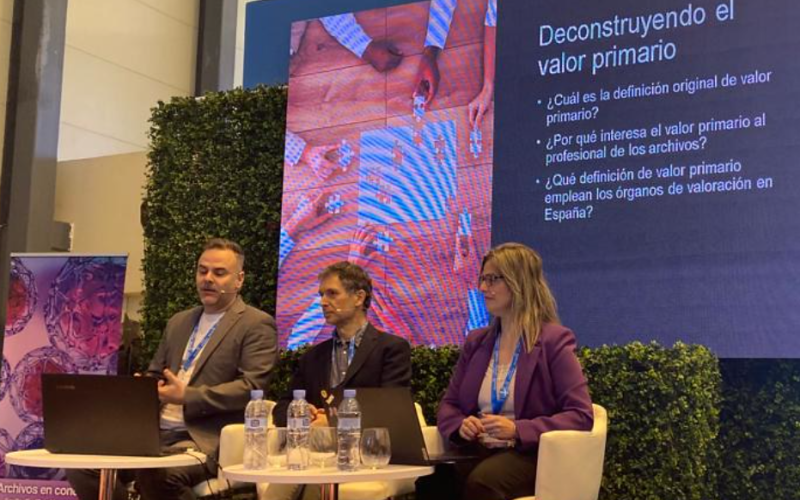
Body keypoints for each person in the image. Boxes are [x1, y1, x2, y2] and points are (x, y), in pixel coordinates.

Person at [66, 238, 279, 500]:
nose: (208, 278)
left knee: (158, 474)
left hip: (203, 440)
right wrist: (145, 385)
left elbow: (251, 388)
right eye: (202, 271)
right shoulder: (179, 321)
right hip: (152, 435)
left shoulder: (256, 324)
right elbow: (157, 373)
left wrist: (187, 395)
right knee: (83, 468)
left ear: (239, 280)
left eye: (219, 273)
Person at [418, 242, 593, 500]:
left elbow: (580, 415)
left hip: (530, 454)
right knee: (433, 481)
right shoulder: (476, 342)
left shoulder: (554, 341)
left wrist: (518, 429)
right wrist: (460, 425)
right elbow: (449, 405)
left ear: (518, 283)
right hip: (480, 448)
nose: (482, 288)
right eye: (482, 279)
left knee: (483, 483)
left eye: (492, 280)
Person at [266, 261, 411, 500]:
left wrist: (333, 421)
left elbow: (390, 412)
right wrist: (301, 414)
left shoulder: (391, 349)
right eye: (321, 294)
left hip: (364, 454)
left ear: (359, 297)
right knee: (284, 484)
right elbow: (282, 409)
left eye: (332, 293)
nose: (323, 302)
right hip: (315, 455)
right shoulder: (313, 357)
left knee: (307, 487)